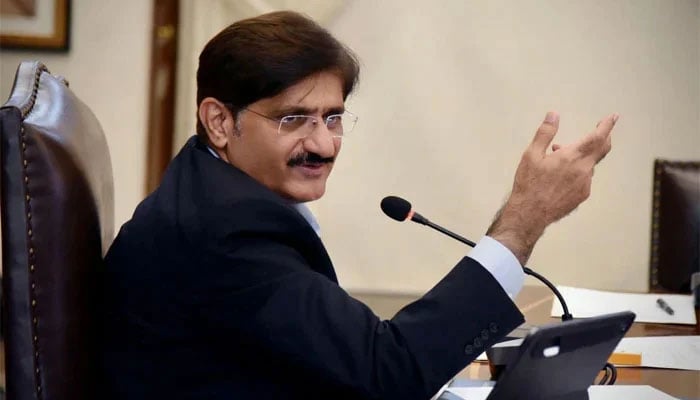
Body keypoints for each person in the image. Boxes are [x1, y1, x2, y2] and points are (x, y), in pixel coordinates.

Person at [101, 10, 617, 400]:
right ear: (219, 122)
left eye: (332, 117)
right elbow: (387, 372)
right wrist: (525, 217)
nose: (323, 145)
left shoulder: (211, 188)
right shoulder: (224, 232)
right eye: (293, 119)